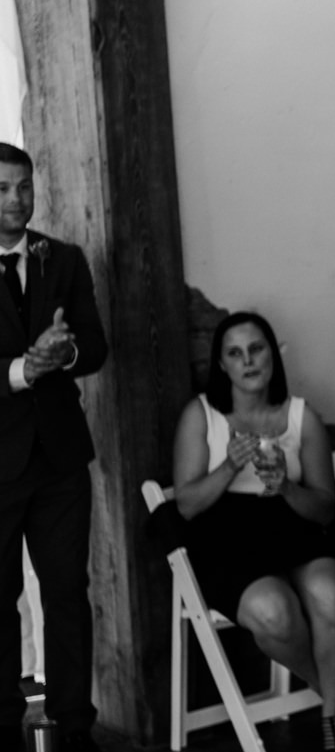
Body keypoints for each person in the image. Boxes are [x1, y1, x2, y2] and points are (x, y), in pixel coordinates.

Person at [172, 311, 335, 751]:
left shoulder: (302, 416)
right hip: (226, 542)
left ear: (273, 355)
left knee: (331, 595)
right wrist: (229, 465)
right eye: (235, 353)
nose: (248, 361)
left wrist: (285, 486)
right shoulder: (202, 414)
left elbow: (323, 510)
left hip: (294, 531)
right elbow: (186, 505)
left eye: (256, 349)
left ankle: (333, 718)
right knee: (274, 612)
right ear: (222, 365)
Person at [0, 142, 108, 752]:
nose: (18, 199)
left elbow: (93, 346)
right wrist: (23, 368)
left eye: (24, 186)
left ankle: (75, 725)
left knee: (67, 590)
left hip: (61, 458)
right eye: (3, 188)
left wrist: (61, 354)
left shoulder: (62, 258)